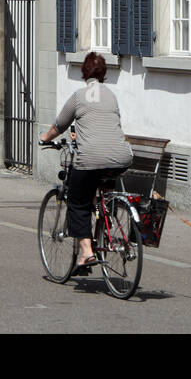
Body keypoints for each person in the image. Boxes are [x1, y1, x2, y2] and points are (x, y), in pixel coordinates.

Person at [40, 52, 133, 274]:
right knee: (96, 190)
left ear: (84, 73)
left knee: (76, 202)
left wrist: (44, 138)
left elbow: (59, 125)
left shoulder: (79, 95)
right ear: (104, 75)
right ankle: (105, 219)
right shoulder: (110, 95)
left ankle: (86, 251)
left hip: (91, 158)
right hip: (121, 157)